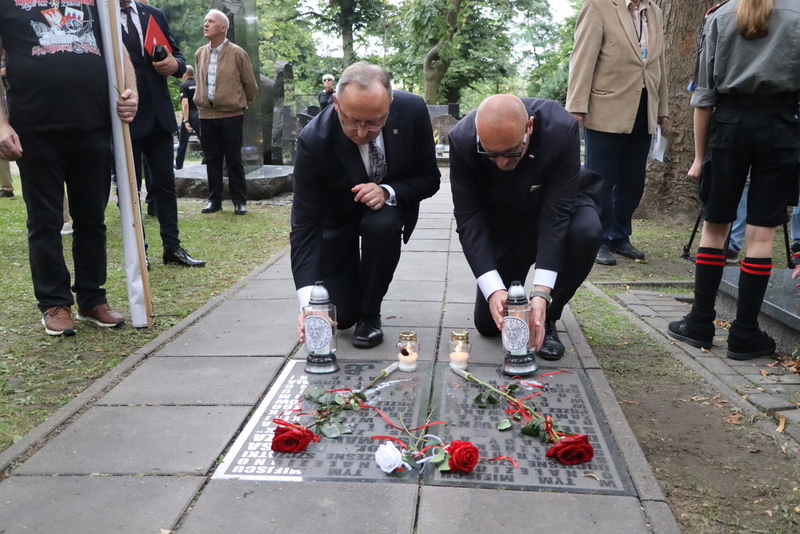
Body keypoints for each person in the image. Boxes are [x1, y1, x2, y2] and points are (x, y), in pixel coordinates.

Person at [668, 0, 800, 360]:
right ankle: (744, 335)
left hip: (728, 127)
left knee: (715, 227)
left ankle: (700, 323)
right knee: (761, 235)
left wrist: (698, 157)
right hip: (781, 126)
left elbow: (704, 96)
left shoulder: (720, 16)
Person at [0, 0, 138, 336]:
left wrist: (131, 91)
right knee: (45, 220)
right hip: (35, 128)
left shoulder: (97, 2)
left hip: (93, 124)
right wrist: (1, 124)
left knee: (92, 218)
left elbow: (120, 54)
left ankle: (92, 298)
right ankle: (54, 303)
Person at [291, 61, 440, 348]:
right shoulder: (313, 140)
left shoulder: (413, 111)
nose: (361, 133)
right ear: (336, 103)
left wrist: (387, 191)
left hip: (384, 216)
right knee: (341, 316)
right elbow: (304, 227)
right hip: (336, 221)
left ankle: (371, 314)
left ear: (390, 104)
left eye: (374, 122)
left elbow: (429, 179)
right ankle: (352, 306)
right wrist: (308, 302)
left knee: (383, 224)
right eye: (352, 121)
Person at [448, 94, 602, 360]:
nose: (501, 164)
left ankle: (548, 318)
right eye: (490, 153)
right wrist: (494, 289)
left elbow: (557, 215)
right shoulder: (460, 140)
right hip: (504, 218)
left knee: (586, 232)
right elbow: (469, 219)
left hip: (559, 207)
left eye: (510, 152)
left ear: (529, 127)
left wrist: (542, 294)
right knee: (487, 326)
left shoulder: (561, 129)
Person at [566, 0, 669, 266]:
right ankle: (595, 239)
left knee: (633, 179)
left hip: (643, 108)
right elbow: (582, 57)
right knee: (600, 179)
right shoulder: (598, 6)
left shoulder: (654, 12)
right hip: (605, 108)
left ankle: (619, 235)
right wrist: (577, 107)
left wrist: (662, 108)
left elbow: (659, 64)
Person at [120, 0, 205, 268]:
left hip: (159, 116)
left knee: (165, 185)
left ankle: (173, 247)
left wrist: (174, 65)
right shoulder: (101, 19)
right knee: (130, 188)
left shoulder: (152, 14)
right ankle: (138, 249)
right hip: (125, 118)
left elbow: (178, 57)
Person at [194, 9, 258, 216]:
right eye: (205, 21)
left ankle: (239, 201)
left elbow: (250, 83)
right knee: (211, 159)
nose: (206, 24)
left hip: (231, 115)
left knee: (233, 159)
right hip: (206, 115)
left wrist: (242, 103)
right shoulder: (200, 53)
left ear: (223, 28)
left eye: (210, 21)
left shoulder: (238, 53)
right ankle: (214, 200)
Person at [175, 65, 201, 170]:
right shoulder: (199, 84)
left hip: (189, 114)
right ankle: (209, 161)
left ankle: (179, 164)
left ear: (185, 74)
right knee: (205, 140)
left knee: (183, 141)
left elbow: (185, 104)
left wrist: (186, 120)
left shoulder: (184, 86)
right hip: (200, 114)